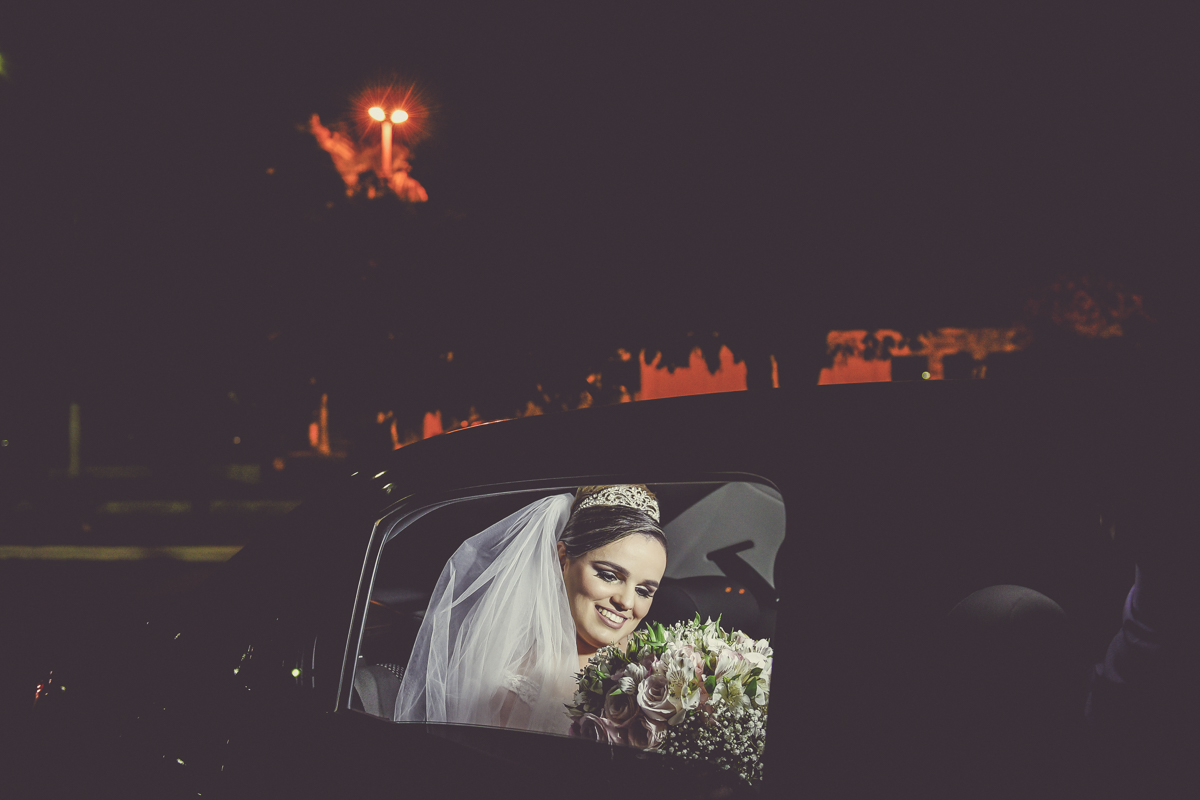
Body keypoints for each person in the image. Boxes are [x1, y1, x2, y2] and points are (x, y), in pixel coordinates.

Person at [393, 485, 668, 735]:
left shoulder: (663, 663)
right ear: (563, 558)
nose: (627, 602)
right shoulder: (511, 693)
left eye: (644, 591)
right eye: (609, 576)